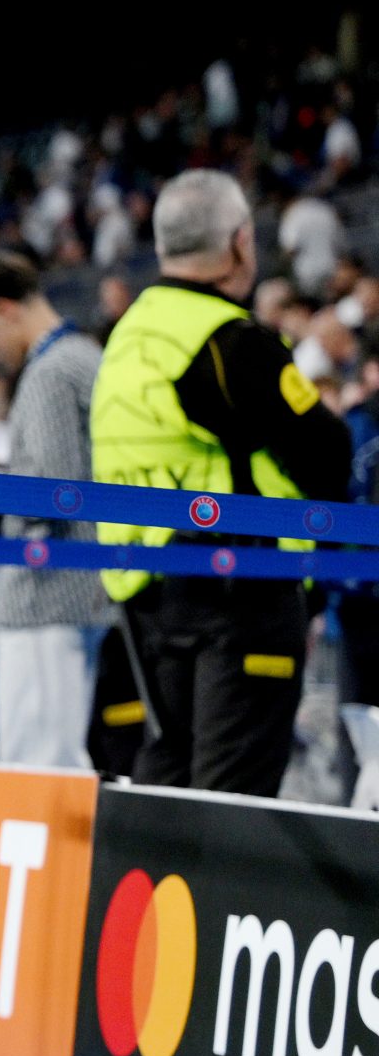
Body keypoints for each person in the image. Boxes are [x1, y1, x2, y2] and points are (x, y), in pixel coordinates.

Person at [91, 170, 352, 795]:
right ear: (241, 243)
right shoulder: (230, 342)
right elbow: (327, 453)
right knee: (231, 799)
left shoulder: (126, 339)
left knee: (170, 775)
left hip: (147, 592)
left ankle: (146, 896)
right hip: (240, 592)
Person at [0, 253, 110, 768]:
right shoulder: (81, 356)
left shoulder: (50, 372)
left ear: (3, 310)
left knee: (40, 763)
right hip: (73, 592)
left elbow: (48, 495)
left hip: (48, 598)